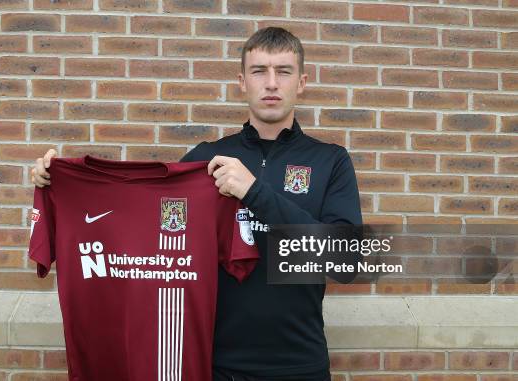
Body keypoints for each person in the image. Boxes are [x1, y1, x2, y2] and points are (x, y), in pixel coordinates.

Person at [32, 27, 362, 381]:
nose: (271, 83)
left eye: (283, 71)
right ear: (242, 82)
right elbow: (139, 220)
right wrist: (62, 185)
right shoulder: (206, 159)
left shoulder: (331, 161)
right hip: (213, 366)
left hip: (300, 366)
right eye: (258, 71)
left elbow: (346, 262)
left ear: (301, 82)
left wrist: (255, 193)